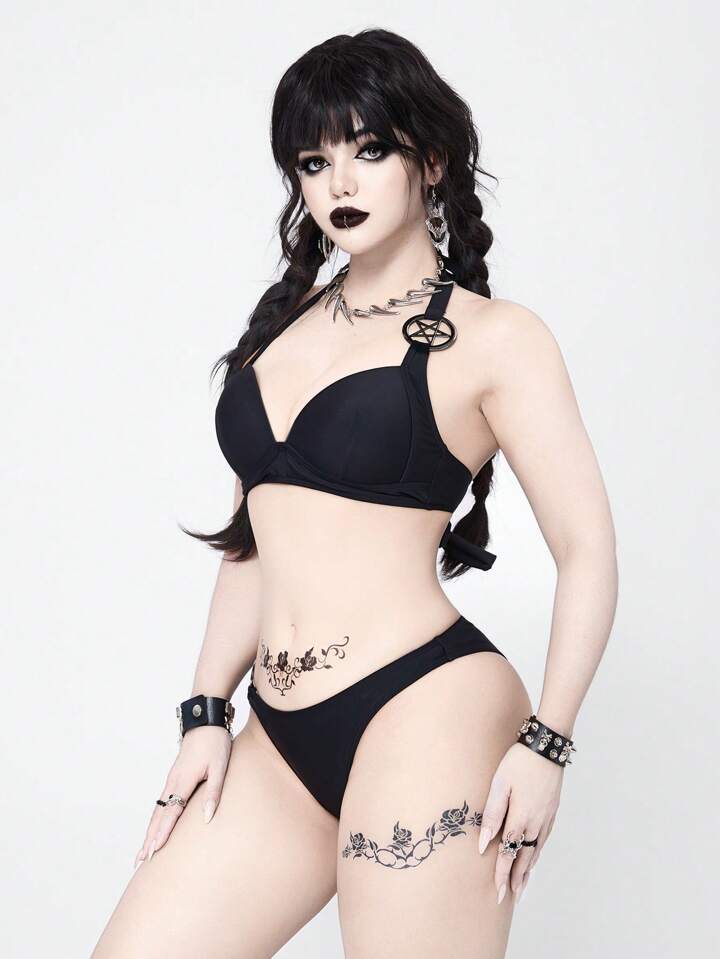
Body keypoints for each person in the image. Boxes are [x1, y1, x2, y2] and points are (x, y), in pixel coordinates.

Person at [91, 27, 618, 959]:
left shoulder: (497, 339)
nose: (340, 181)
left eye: (369, 150)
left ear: (432, 161)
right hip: (278, 729)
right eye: (314, 160)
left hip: (429, 707)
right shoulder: (281, 327)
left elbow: (588, 551)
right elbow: (257, 536)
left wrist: (549, 742)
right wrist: (206, 711)